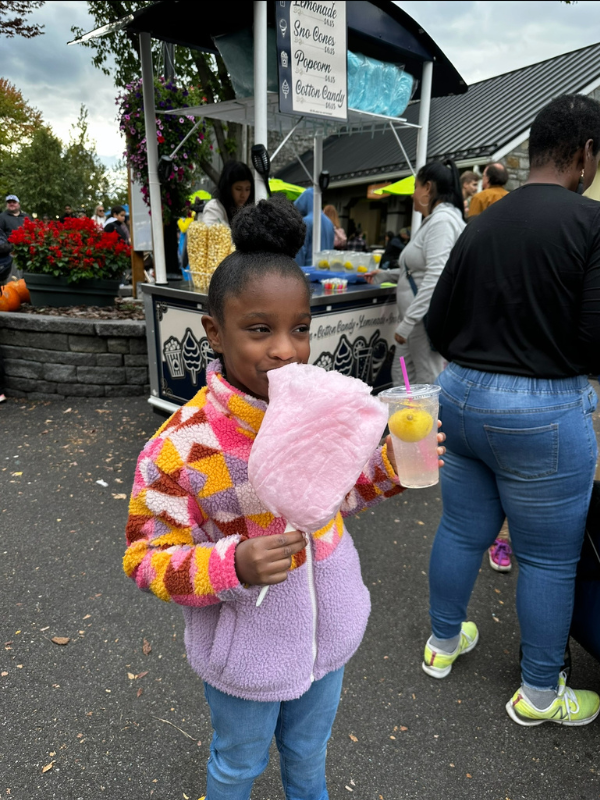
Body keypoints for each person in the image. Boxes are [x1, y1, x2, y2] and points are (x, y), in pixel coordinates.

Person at [123, 195, 445, 800]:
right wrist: (230, 565)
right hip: (246, 658)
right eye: (259, 330)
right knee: (237, 767)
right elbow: (145, 557)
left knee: (308, 755)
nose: (285, 350)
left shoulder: (319, 412)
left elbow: (339, 495)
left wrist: (392, 466)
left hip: (330, 638)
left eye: (300, 329)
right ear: (213, 332)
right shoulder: (181, 448)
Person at [423, 94, 600, 726]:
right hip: (546, 410)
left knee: (461, 529)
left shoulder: (479, 223)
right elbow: (593, 341)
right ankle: (541, 694)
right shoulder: (592, 223)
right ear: (583, 155)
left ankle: (442, 644)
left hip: (461, 396)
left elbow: (438, 323)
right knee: (550, 558)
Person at [367, 160, 465, 385]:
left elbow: (436, 276)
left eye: (415, 187)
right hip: (416, 325)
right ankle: (408, 420)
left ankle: (427, 422)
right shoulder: (437, 220)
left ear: (428, 188)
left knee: (425, 383)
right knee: (404, 380)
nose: (412, 195)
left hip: (421, 324)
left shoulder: (442, 222)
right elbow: (417, 270)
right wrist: (385, 275)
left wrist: (408, 322)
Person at [203, 161, 255, 227]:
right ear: (227, 188)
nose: (243, 195)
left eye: (247, 189)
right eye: (238, 189)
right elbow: (212, 233)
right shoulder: (213, 208)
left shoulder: (250, 212)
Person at [293, 187, 334, 266]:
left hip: (308, 270)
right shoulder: (329, 222)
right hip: (326, 269)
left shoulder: (305, 222)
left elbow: (300, 253)